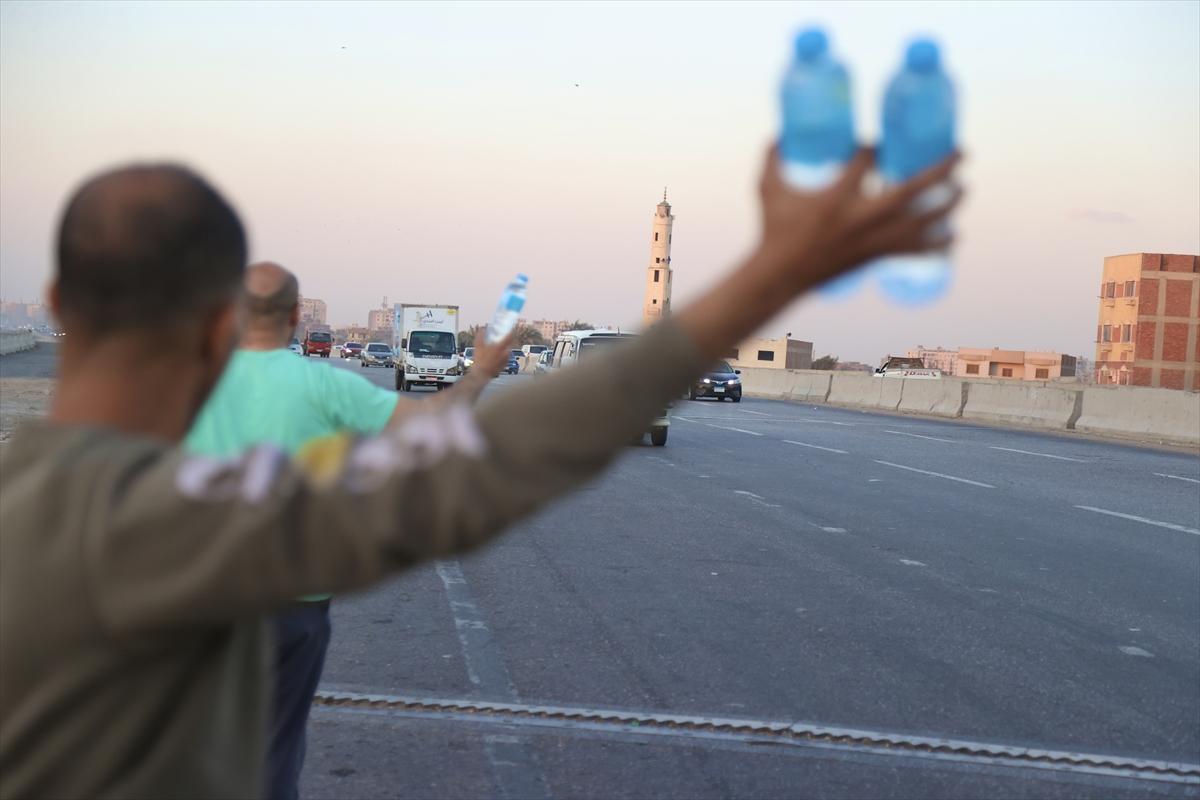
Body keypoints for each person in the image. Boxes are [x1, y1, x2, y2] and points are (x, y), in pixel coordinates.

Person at [0, 147, 959, 798]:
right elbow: (472, 461)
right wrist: (766, 277)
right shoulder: (203, 524)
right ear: (221, 324)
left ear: (55, 306)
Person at [184, 260, 513, 800]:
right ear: (295, 315)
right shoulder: (324, 385)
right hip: (295, 607)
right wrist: (480, 372)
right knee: (273, 752)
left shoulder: (189, 385)